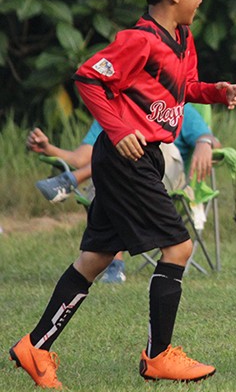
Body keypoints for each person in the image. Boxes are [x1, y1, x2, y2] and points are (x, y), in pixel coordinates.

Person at [8, 0, 236, 388]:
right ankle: (158, 356)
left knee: (94, 259)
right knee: (178, 248)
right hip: (124, 160)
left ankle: (35, 347)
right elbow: (88, 77)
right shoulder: (139, 40)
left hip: (144, 158)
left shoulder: (182, 38)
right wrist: (117, 130)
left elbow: (185, 87)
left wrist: (217, 91)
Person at [26, 105, 224, 283]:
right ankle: (115, 264)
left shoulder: (177, 107)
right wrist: (48, 148)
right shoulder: (110, 110)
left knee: (139, 140)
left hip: (164, 177)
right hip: (124, 181)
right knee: (108, 163)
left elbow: (213, 141)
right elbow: (80, 158)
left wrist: (204, 142)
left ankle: (71, 180)